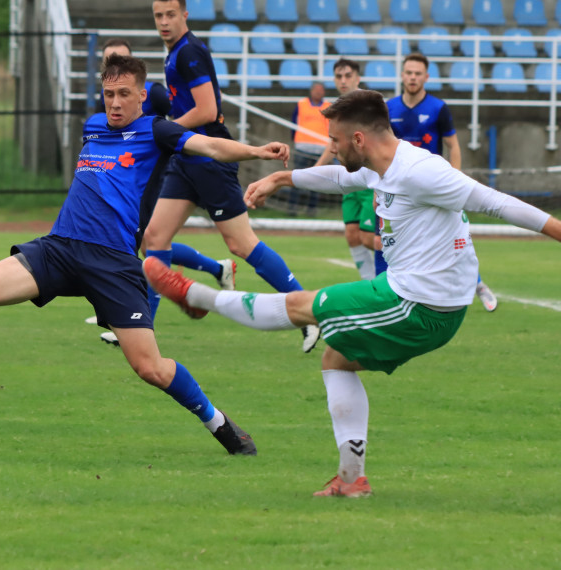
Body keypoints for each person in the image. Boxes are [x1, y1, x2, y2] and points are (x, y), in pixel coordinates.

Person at [0, 54, 292, 457]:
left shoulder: (157, 131)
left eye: (123, 94)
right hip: (59, 248)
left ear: (141, 96)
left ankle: (220, 425)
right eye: (108, 93)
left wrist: (256, 151)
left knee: (149, 367)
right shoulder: (93, 127)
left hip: (113, 264)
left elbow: (210, 144)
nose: (113, 103)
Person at [143, 88, 561, 497]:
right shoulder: (383, 164)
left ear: (359, 139)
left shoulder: (421, 171)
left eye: (335, 141)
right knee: (336, 358)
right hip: (418, 298)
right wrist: (282, 177)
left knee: (303, 306)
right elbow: (342, 177)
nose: (332, 148)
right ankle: (351, 478)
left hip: (419, 304)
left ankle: (196, 298)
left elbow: (498, 203)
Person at [144, 0, 320, 352]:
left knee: (241, 244)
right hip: (186, 156)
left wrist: (168, 130)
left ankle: (309, 310)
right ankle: (140, 325)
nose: (163, 22)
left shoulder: (190, 52)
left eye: (170, 15)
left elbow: (207, 111)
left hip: (209, 157)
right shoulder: (176, 51)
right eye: (158, 16)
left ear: (185, 15)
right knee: (154, 238)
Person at [91, 39, 235, 346]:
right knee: (150, 244)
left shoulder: (154, 92)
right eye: (107, 62)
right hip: (125, 182)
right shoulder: (107, 101)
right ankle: (217, 267)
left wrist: (160, 140)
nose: (113, 66)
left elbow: (176, 120)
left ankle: (137, 321)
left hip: (153, 178)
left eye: (119, 59)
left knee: (150, 243)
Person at [385, 53, 498, 312]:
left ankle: (478, 283)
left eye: (417, 73)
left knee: (455, 238)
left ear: (426, 77)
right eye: (408, 72)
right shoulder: (389, 108)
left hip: (432, 187)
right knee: (398, 240)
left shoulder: (438, 108)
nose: (413, 77)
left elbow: (453, 146)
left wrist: (454, 181)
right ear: (402, 75)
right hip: (400, 190)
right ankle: (401, 292)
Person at [315, 59, 378, 279]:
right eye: (339, 76)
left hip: (369, 179)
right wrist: (313, 172)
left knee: (369, 238)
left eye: (348, 75)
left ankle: (402, 271)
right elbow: (332, 144)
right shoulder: (339, 107)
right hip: (348, 179)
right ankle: (369, 284)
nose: (343, 80)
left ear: (357, 78)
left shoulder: (367, 105)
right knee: (352, 236)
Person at [287, 81, 331, 216]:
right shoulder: (301, 104)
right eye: (316, 89)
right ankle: (292, 208)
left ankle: (312, 209)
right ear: (311, 91)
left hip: (320, 150)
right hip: (302, 148)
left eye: (321, 90)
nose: (318, 92)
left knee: (316, 181)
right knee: (296, 178)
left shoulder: (329, 106)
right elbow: (294, 123)